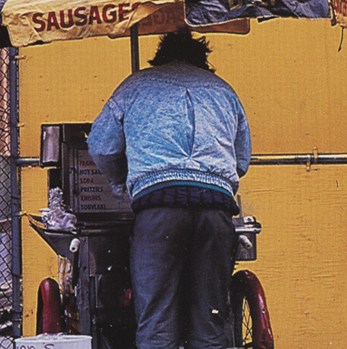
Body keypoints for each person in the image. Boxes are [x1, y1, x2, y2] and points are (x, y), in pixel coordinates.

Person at [87, 28, 251, 349]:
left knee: (158, 322)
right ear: (203, 60)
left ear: (159, 57)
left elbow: (102, 146)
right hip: (215, 212)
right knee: (210, 322)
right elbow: (241, 160)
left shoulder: (134, 85)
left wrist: (122, 183)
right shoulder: (224, 91)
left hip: (158, 212)